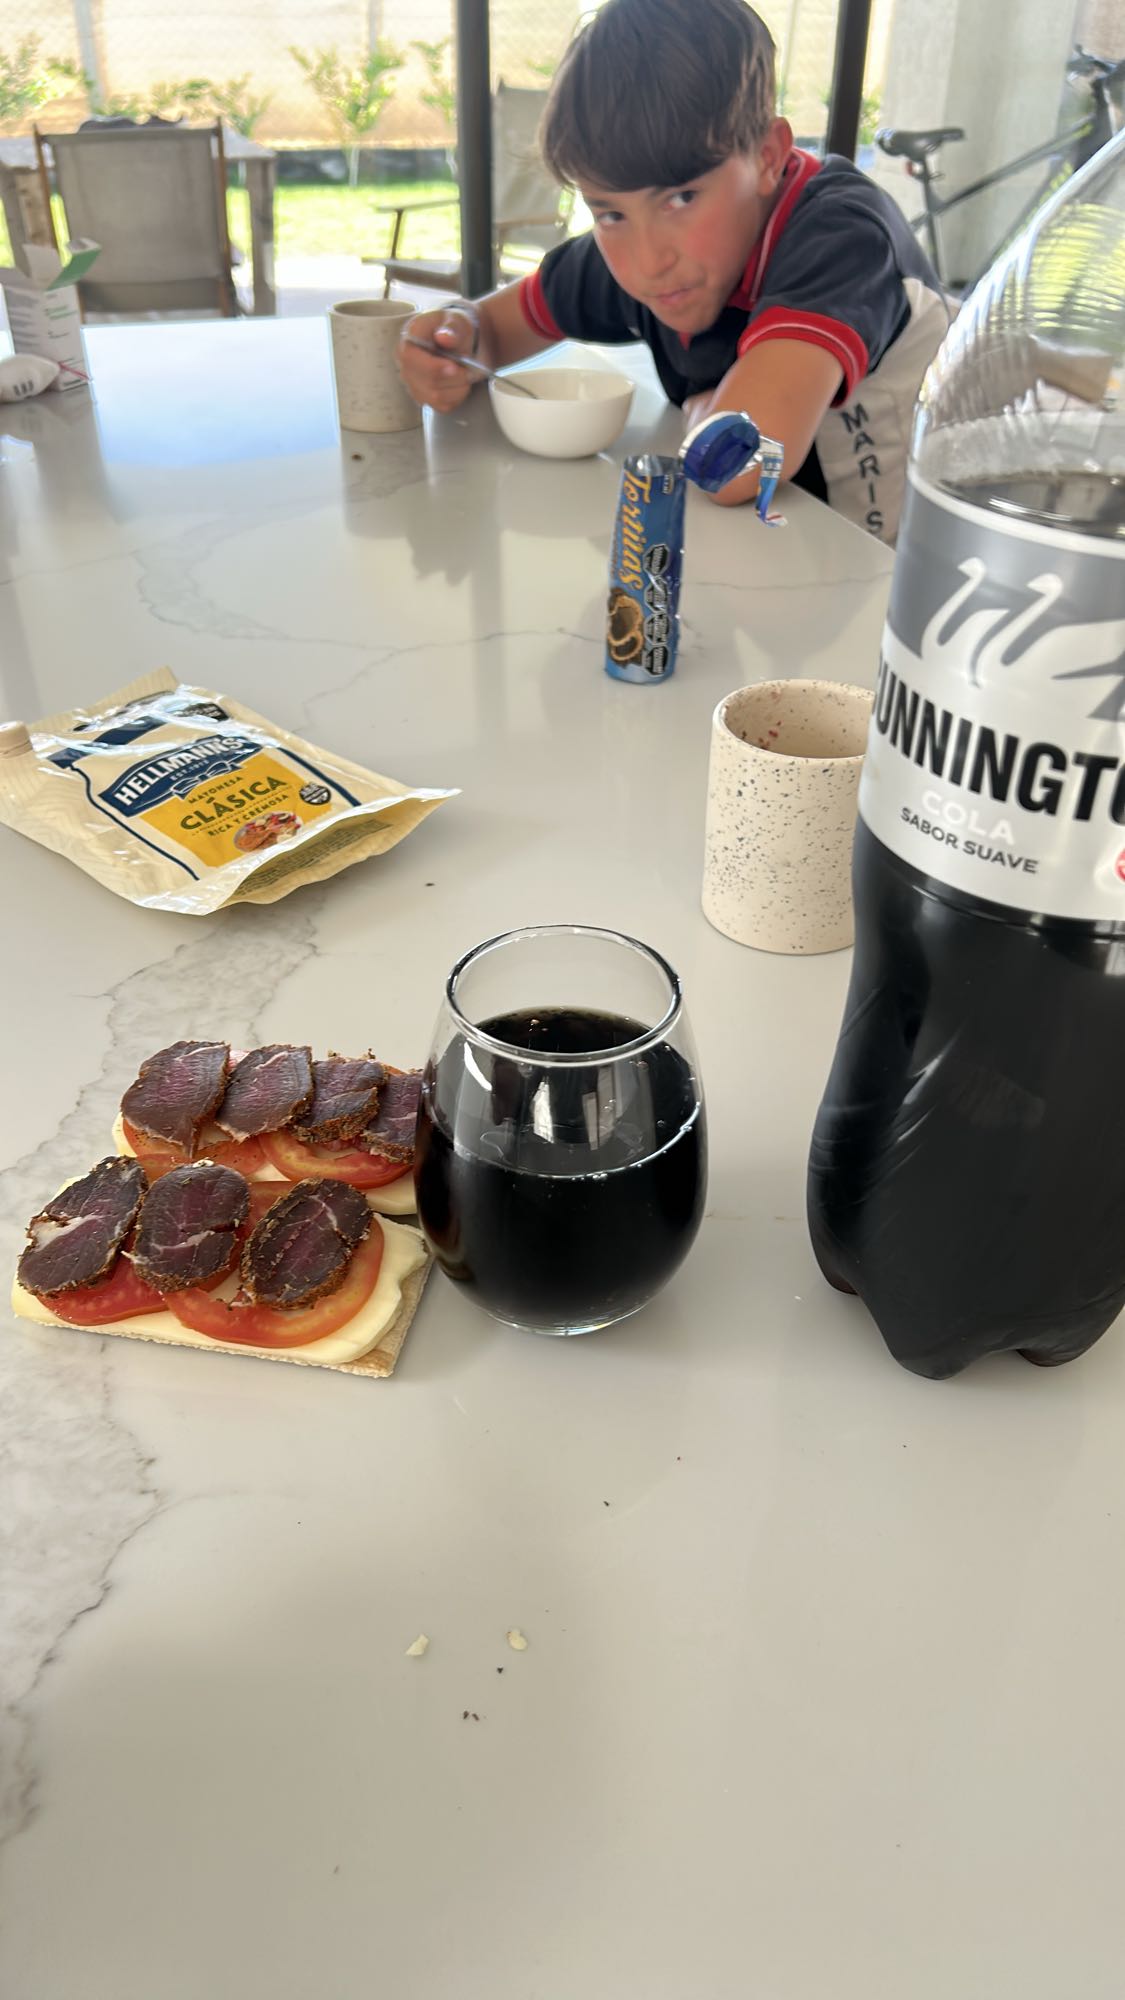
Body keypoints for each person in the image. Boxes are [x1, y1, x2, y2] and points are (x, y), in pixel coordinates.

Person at [396, 0, 951, 544]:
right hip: (762, 557)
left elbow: (739, 463)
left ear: (767, 156)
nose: (648, 261)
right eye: (609, 211)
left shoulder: (842, 234)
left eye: (682, 198)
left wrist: (725, 418)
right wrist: (453, 337)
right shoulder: (641, 254)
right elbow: (493, 329)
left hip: (902, 567)